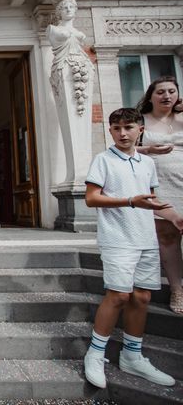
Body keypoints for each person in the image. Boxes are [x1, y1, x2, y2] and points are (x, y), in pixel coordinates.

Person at [83, 108, 182, 389]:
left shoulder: (146, 163)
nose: (122, 133)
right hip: (117, 238)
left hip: (145, 238)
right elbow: (92, 198)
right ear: (111, 131)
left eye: (128, 127)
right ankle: (96, 352)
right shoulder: (103, 160)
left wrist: (174, 216)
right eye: (116, 128)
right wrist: (129, 201)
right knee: (118, 295)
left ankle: (132, 355)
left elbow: (151, 199)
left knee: (142, 297)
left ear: (140, 129)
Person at [135, 76, 183, 314]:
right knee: (167, 236)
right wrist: (149, 149)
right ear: (150, 96)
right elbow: (123, 147)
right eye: (161, 92)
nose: (166, 96)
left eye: (171, 91)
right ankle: (177, 289)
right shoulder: (141, 121)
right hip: (159, 183)